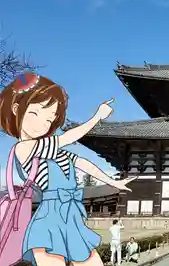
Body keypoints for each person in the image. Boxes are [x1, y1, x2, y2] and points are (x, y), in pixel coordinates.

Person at [0, 73, 136, 266]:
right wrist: (97, 117)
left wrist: (113, 182)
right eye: (36, 114)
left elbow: (81, 162)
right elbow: (66, 139)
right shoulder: (24, 148)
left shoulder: (52, 152)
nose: (43, 125)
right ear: (16, 110)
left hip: (72, 217)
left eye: (49, 120)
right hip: (50, 217)